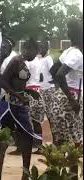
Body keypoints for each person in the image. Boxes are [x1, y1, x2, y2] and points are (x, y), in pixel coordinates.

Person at [0, 38, 41, 180]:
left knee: (27, 138)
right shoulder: (15, 61)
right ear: (27, 48)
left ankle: (25, 175)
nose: (35, 55)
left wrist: (27, 92)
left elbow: (17, 84)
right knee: (3, 139)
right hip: (9, 105)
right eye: (35, 52)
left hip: (19, 105)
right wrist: (18, 96)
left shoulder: (23, 63)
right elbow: (3, 81)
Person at [51, 19, 82, 180]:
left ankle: (57, 174)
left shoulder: (69, 51)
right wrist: (71, 99)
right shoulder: (77, 54)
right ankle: (72, 177)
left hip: (60, 98)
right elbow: (59, 74)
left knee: (61, 140)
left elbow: (52, 70)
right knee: (75, 141)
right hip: (70, 99)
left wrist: (60, 93)